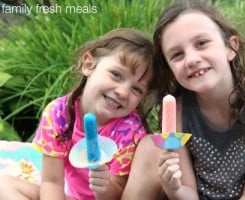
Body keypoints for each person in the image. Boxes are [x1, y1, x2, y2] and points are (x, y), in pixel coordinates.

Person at [121, 1, 245, 200]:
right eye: (177, 54)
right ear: (170, 71)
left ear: (231, 47)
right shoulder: (177, 111)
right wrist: (173, 188)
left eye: (201, 43)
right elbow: (188, 193)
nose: (191, 59)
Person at [0, 28, 161, 200]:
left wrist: (105, 188)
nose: (122, 92)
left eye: (136, 89)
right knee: (4, 185)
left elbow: (121, 193)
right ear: (88, 64)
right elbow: (52, 182)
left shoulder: (130, 132)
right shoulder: (58, 114)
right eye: (116, 75)